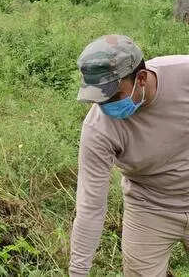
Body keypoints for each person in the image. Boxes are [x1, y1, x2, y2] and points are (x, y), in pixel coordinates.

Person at [70, 34, 189, 276]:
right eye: (98, 99)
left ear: (141, 78)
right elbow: (90, 206)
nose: (105, 107)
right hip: (150, 206)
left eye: (112, 96)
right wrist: (78, 270)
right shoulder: (98, 129)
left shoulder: (183, 75)